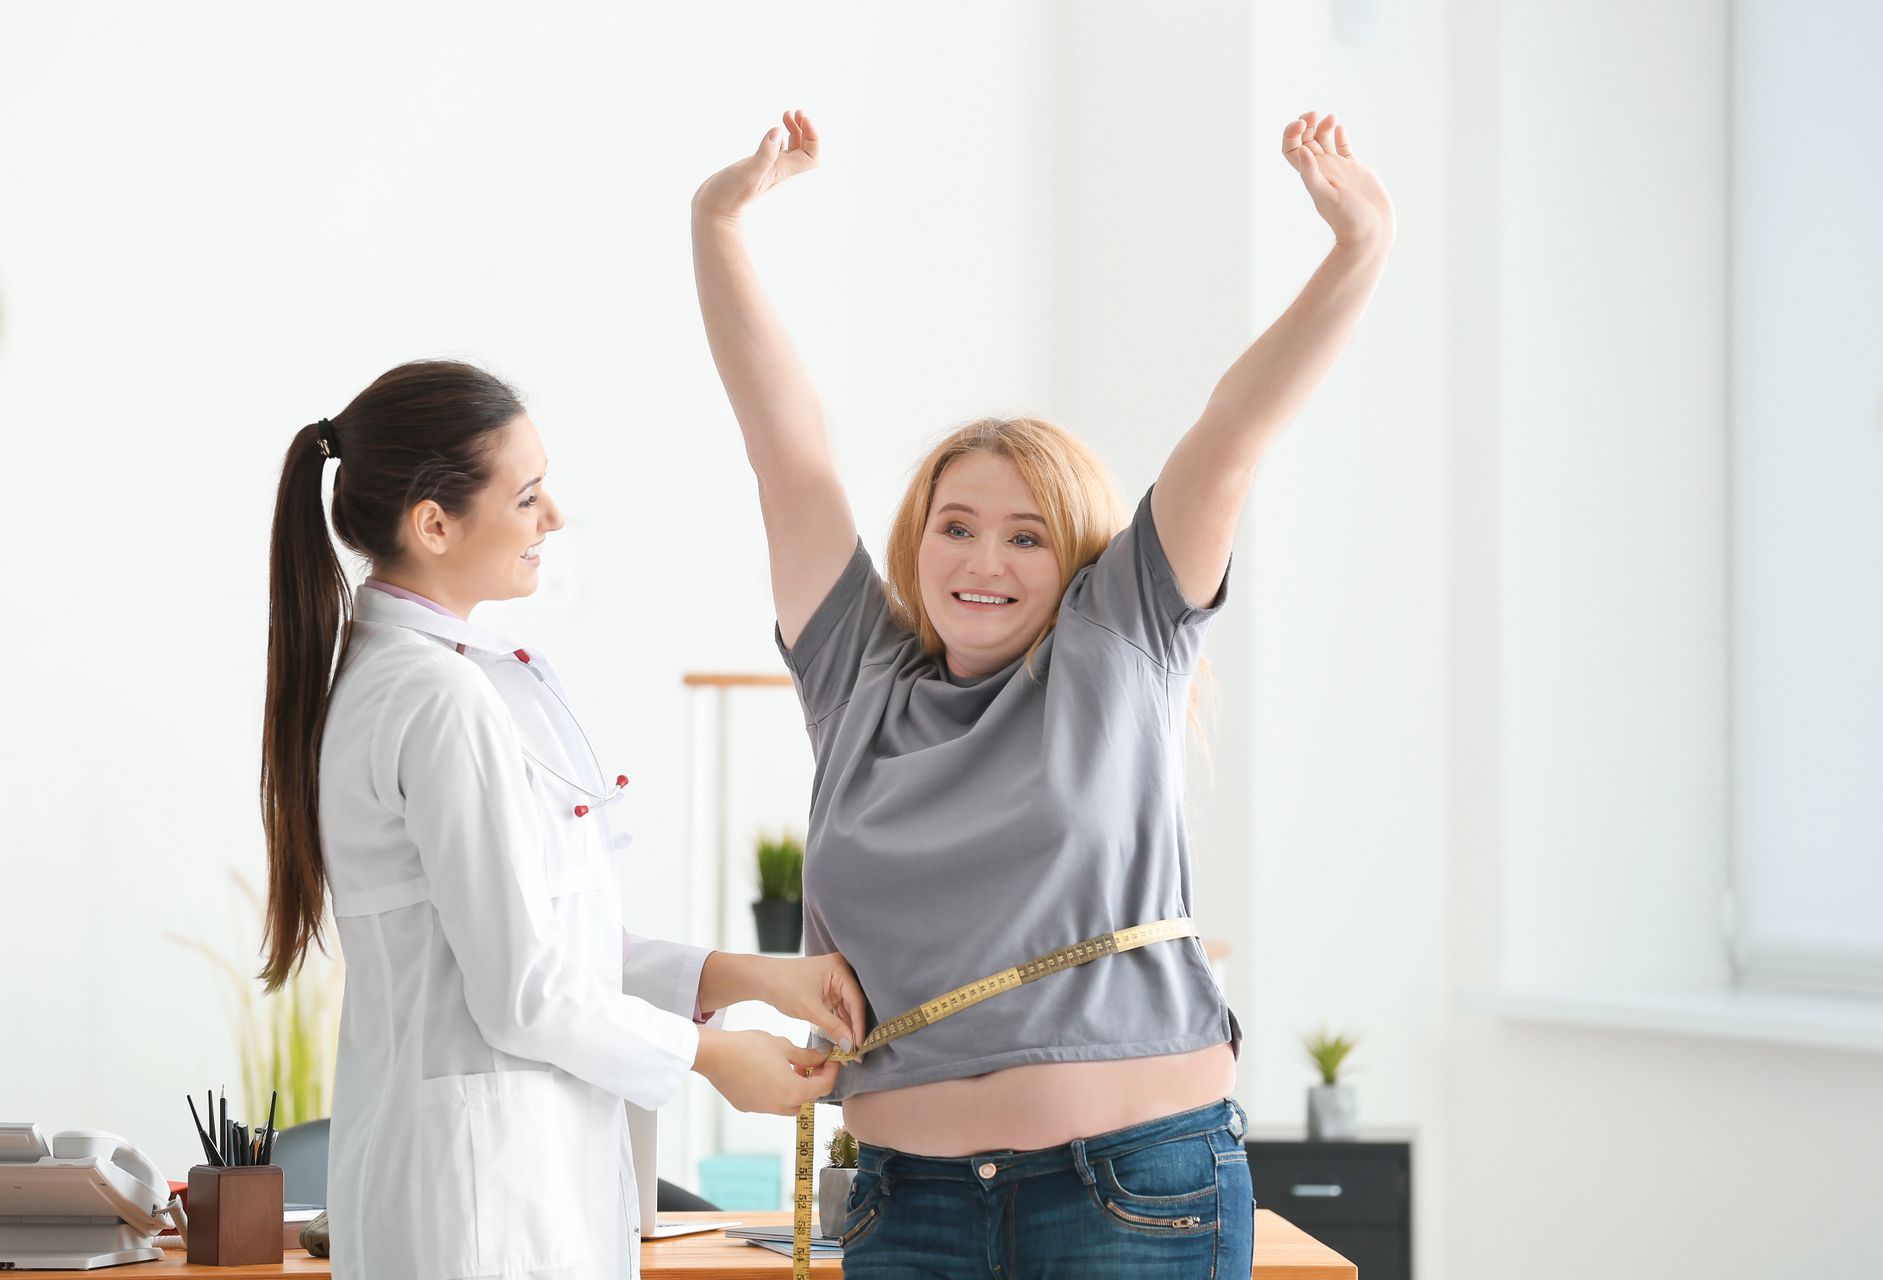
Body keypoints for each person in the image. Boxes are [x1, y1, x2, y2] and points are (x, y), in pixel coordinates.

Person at [692, 109, 1393, 1277]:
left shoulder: (1120, 637)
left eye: (1026, 535)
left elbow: (1232, 433)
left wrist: (1357, 246)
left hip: (1130, 1194)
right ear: (918, 540)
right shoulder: (859, 672)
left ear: (1075, 559)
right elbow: (785, 449)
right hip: (903, 1207)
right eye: (957, 526)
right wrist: (719, 223)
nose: (984, 560)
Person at [257, 359, 868, 1280]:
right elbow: (527, 993)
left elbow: (545, 947)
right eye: (528, 495)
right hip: (477, 1207)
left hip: (495, 1187)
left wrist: (758, 978)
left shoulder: (427, 678)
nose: (554, 517)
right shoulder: (435, 697)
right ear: (433, 524)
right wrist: (711, 1057)